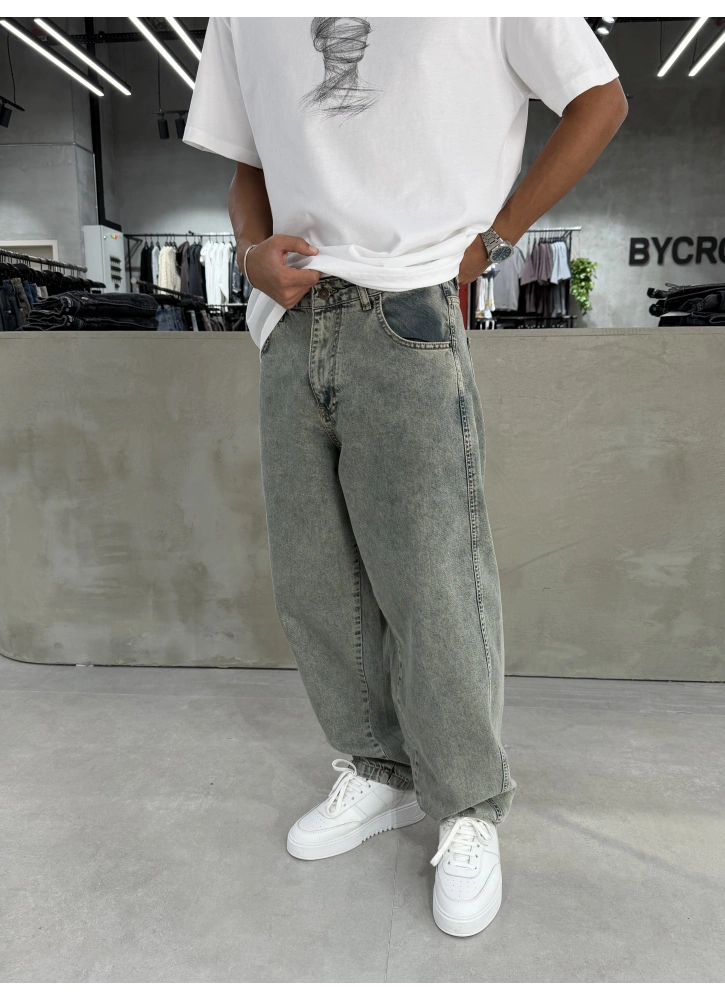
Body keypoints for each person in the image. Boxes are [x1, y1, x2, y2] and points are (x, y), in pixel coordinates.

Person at [184, 16, 627, 937]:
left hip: (408, 309)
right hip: (291, 323)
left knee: (433, 580)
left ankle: (466, 805)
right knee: (317, 579)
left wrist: (496, 239)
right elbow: (247, 164)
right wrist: (251, 252)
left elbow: (599, 98)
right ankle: (377, 770)